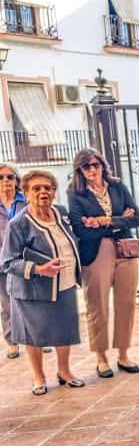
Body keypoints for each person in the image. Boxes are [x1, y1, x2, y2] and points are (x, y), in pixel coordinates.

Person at [0, 169, 84, 394]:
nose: (43, 192)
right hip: (32, 289)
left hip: (64, 283)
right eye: (36, 188)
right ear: (26, 193)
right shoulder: (19, 223)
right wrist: (38, 269)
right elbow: (7, 262)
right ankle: (39, 377)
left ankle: (64, 372)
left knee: (64, 330)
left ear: (54, 192)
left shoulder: (61, 213)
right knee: (34, 334)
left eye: (48, 188)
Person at [68, 148, 139, 378]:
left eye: (96, 164)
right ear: (79, 170)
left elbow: (137, 217)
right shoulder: (75, 193)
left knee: (126, 303)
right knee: (97, 304)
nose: (92, 170)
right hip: (96, 250)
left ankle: (123, 354)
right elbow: (80, 228)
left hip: (125, 249)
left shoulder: (118, 186)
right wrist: (120, 219)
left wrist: (104, 220)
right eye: (86, 166)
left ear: (103, 165)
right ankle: (101, 357)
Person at [0, 161, 27, 359]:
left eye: (10, 177)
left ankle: (37, 338)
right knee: (7, 303)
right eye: (1, 177)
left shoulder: (26, 200)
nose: (5, 181)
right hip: (1, 261)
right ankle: (12, 342)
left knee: (31, 300)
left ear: (16, 180)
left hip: (25, 258)